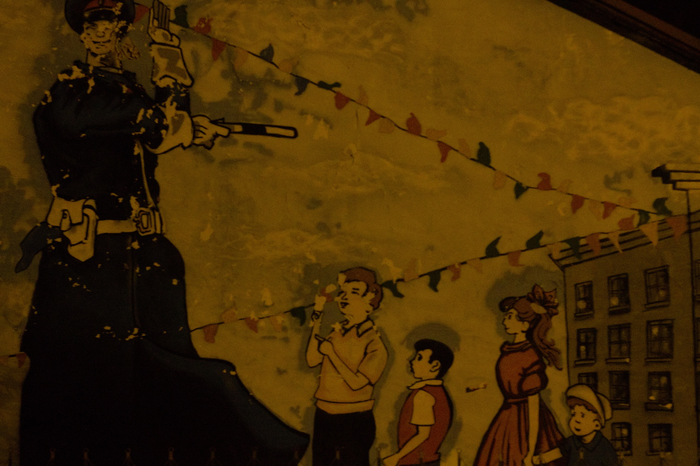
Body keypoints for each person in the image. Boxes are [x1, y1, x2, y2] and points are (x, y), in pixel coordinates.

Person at [16, 0, 309, 464]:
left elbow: (157, 128)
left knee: (162, 364)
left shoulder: (125, 91)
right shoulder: (71, 92)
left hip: (142, 252)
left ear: (121, 31)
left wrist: (168, 60)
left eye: (112, 23)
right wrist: (178, 121)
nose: (103, 32)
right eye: (93, 23)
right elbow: (127, 122)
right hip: (89, 259)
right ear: (82, 33)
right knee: (88, 375)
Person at [473, 285, 565, 466]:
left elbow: (533, 406)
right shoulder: (507, 351)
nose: (504, 320)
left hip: (527, 422)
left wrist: (530, 450)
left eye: (509, 316)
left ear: (524, 324)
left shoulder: (530, 356)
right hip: (506, 417)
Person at [306, 267, 388, 466]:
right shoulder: (337, 332)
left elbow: (357, 383)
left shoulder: (374, 343)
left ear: (369, 302)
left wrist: (331, 353)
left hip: (353, 418)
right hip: (324, 414)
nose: (344, 297)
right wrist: (317, 321)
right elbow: (312, 360)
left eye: (354, 292)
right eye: (343, 292)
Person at [383, 339, 454, 466]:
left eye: (419, 358)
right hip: (427, 460)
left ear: (434, 365)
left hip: (417, 461)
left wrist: (397, 456)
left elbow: (423, 435)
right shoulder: (439, 392)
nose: (412, 361)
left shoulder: (424, 395)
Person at [533, 384, 616, 466]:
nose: (576, 420)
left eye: (582, 415)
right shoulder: (571, 442)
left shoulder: (604, 447)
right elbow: (556, 453)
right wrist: (534, 460)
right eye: (574, 414)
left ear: (597, 425)